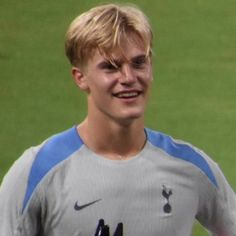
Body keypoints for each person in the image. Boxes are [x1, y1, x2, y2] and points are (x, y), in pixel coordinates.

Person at [0, 3, 235, 236]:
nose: (128, 77)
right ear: (80, 78)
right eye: (111, 67)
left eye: (139, 62)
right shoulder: (36, 172)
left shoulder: (191, 168)